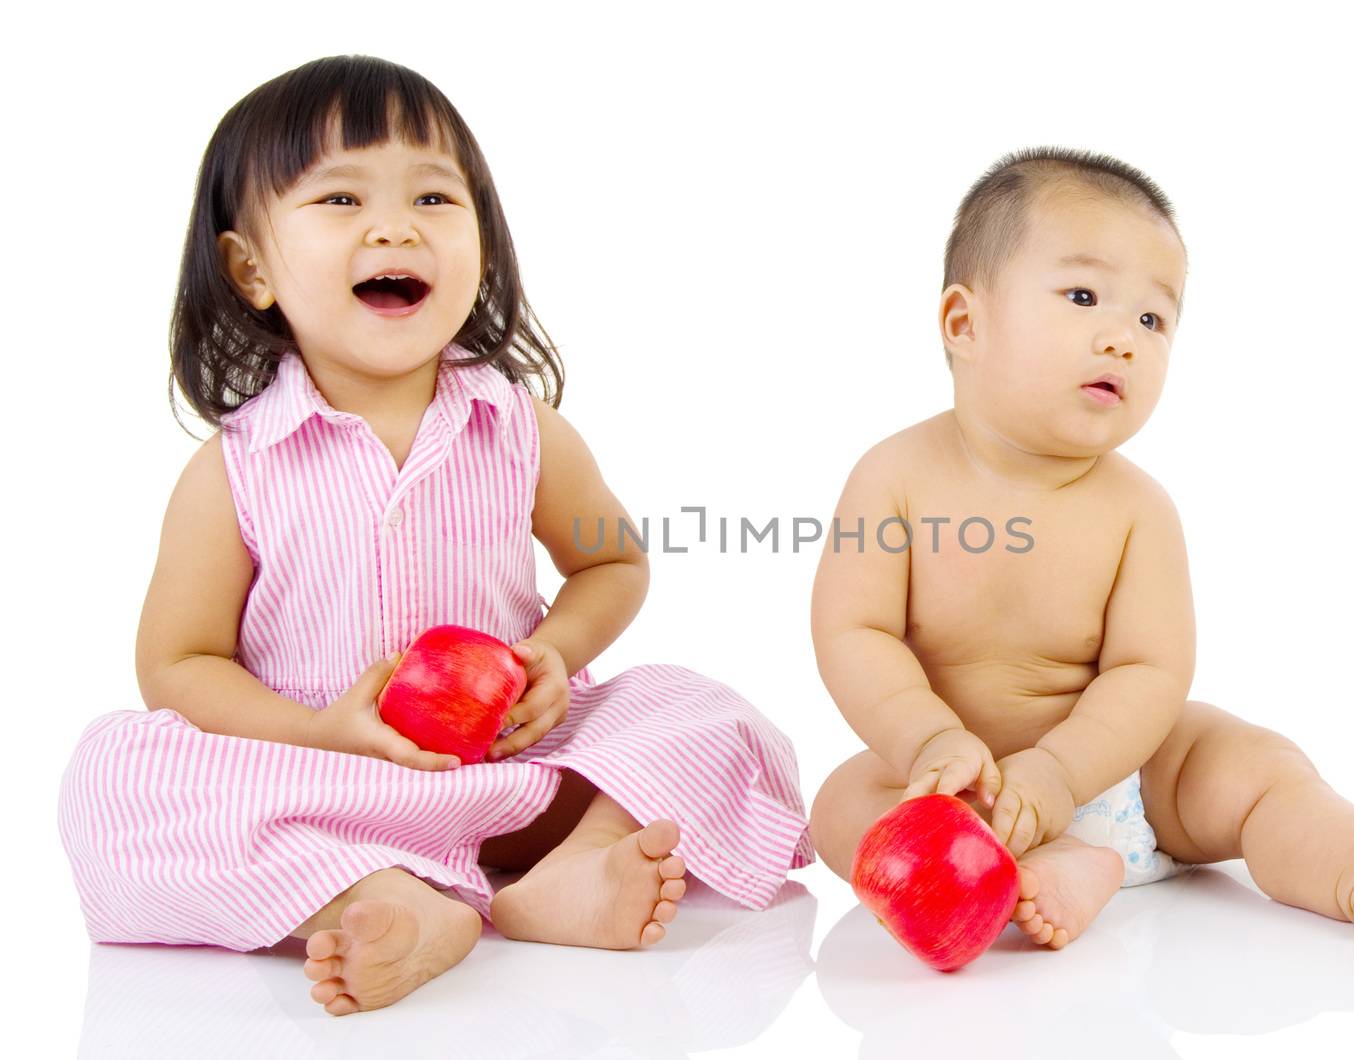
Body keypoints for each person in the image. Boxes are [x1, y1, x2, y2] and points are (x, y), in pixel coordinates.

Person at [57, 54, 811, 1017]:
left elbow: (611, 561)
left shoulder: (521, 426)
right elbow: (177, 663)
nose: (393, 225)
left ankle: (571, 876)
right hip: (319, 782)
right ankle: (375, 898)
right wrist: (321, 730)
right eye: (338, 198)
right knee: (113, 775)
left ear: (482, 249)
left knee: (708, 714)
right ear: (251, 269)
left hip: (517, 779)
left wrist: (553, 654)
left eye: (432, 196)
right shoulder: (235, 467)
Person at [807, 146, 1354, 950]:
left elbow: (1151, 670)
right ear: (966, 323)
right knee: (842, 807)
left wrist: (1065, 773)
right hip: (957, 785)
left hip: (1125, 774)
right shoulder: (892, 477)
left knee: (1258, 765)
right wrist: (928, 739)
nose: (1124, 339)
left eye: (1152, 319)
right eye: (1084, 295)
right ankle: (1053, 863)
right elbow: (857, 630)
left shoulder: (1137, 509)